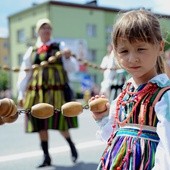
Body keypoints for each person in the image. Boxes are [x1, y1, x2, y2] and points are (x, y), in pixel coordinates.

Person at [89, 9, 170, 170]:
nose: (132, 58)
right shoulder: (125, 93)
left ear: (160, 46)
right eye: (124, 51)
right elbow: (114, 136)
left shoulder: (164, 96)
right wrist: (103, 118)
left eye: (141, 49)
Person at [17, 18, 79, 168]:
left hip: (56, 91)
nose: (46, 31)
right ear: (38, 32)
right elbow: (24, 73)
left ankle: (71, 145)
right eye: (43, 28)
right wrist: (20, 93)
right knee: (41, 123)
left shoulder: (60, 47)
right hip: (37, 92)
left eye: (48, 28)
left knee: (60, 121)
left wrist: (67, 57)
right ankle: (46, 157)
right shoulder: (31, 51)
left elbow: (73, 68)